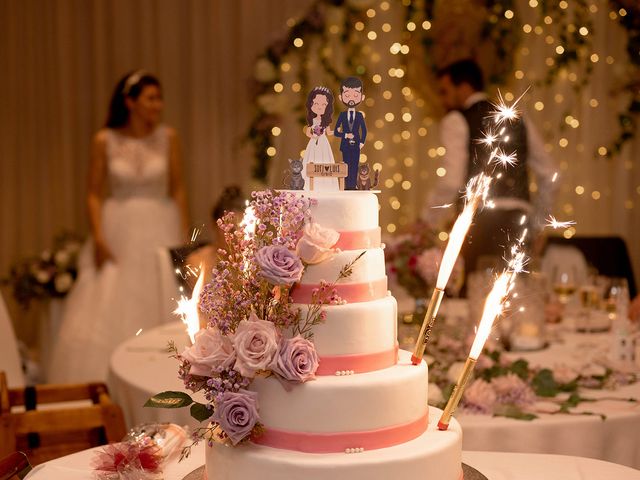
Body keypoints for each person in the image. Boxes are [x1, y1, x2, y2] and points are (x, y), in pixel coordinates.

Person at [49, 71, 190, 382]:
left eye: (160, 98)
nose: (158, 105)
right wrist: (99, 237)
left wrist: (183, 236)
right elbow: (93, 193)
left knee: (161, 293)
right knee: (109, 297)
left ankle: (163, 373)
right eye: (151, 98)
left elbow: (178, 188)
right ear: (130, 102)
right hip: (118, 226)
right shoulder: (105, 139)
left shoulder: (169, 137)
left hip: (159, 222)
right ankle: (107, 376)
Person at [422, 59, 557, 275]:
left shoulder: (456, 119)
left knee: (475, 297)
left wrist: (426, 221)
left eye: (445, 91)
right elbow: (549, 174)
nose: (442, 100)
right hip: (518, 223)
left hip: (479, 222)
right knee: (514, 300)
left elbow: (451, 181)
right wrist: (537, 224)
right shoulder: (517, 119)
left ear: (464, 87)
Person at [185, 186, 246, 288]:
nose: (235, 237)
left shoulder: (253, 265)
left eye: (241, 230)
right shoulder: (197, 262)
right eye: (230, 230)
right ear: (215, 224)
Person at [301, 86, 338, 191]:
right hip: (313, 142)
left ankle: (325, 184)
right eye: (316, 104)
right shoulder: (312, 120)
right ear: (311, 104)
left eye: (323, 104)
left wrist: (338, 131)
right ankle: (309, 184)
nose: (319, 107)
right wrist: (313, 136)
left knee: (324, 159)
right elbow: (308, 132)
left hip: (323, 142)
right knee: (312, 159)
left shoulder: (325, 121)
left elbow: (329, 132)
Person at [334, 77, 367, 190]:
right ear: (341, 97)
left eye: (355, 95)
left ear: (362, 97)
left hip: (356, 145)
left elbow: (364, 130)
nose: (351, 99)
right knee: (346, 166)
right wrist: (345, 135)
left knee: (355, 165)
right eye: (347, 96)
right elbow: (336, 131)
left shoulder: (359, 116)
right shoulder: (342, 115)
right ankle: (347, 186)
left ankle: (353, 185)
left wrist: (361, 142)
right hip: (345, 145)